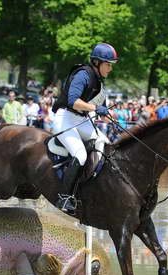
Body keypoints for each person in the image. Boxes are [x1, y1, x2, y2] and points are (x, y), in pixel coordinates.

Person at [50, 43, 117, 212]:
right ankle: (64, 198)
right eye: (108, 64)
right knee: (80, 155)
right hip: (65, 118)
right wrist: (95, 108)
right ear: (97, 63)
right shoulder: (83, 75)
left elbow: (95, 104)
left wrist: (104, 111)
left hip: (80, 120)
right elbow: (73, 101)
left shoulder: (99, 82)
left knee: (105, 143)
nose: (110, 68)